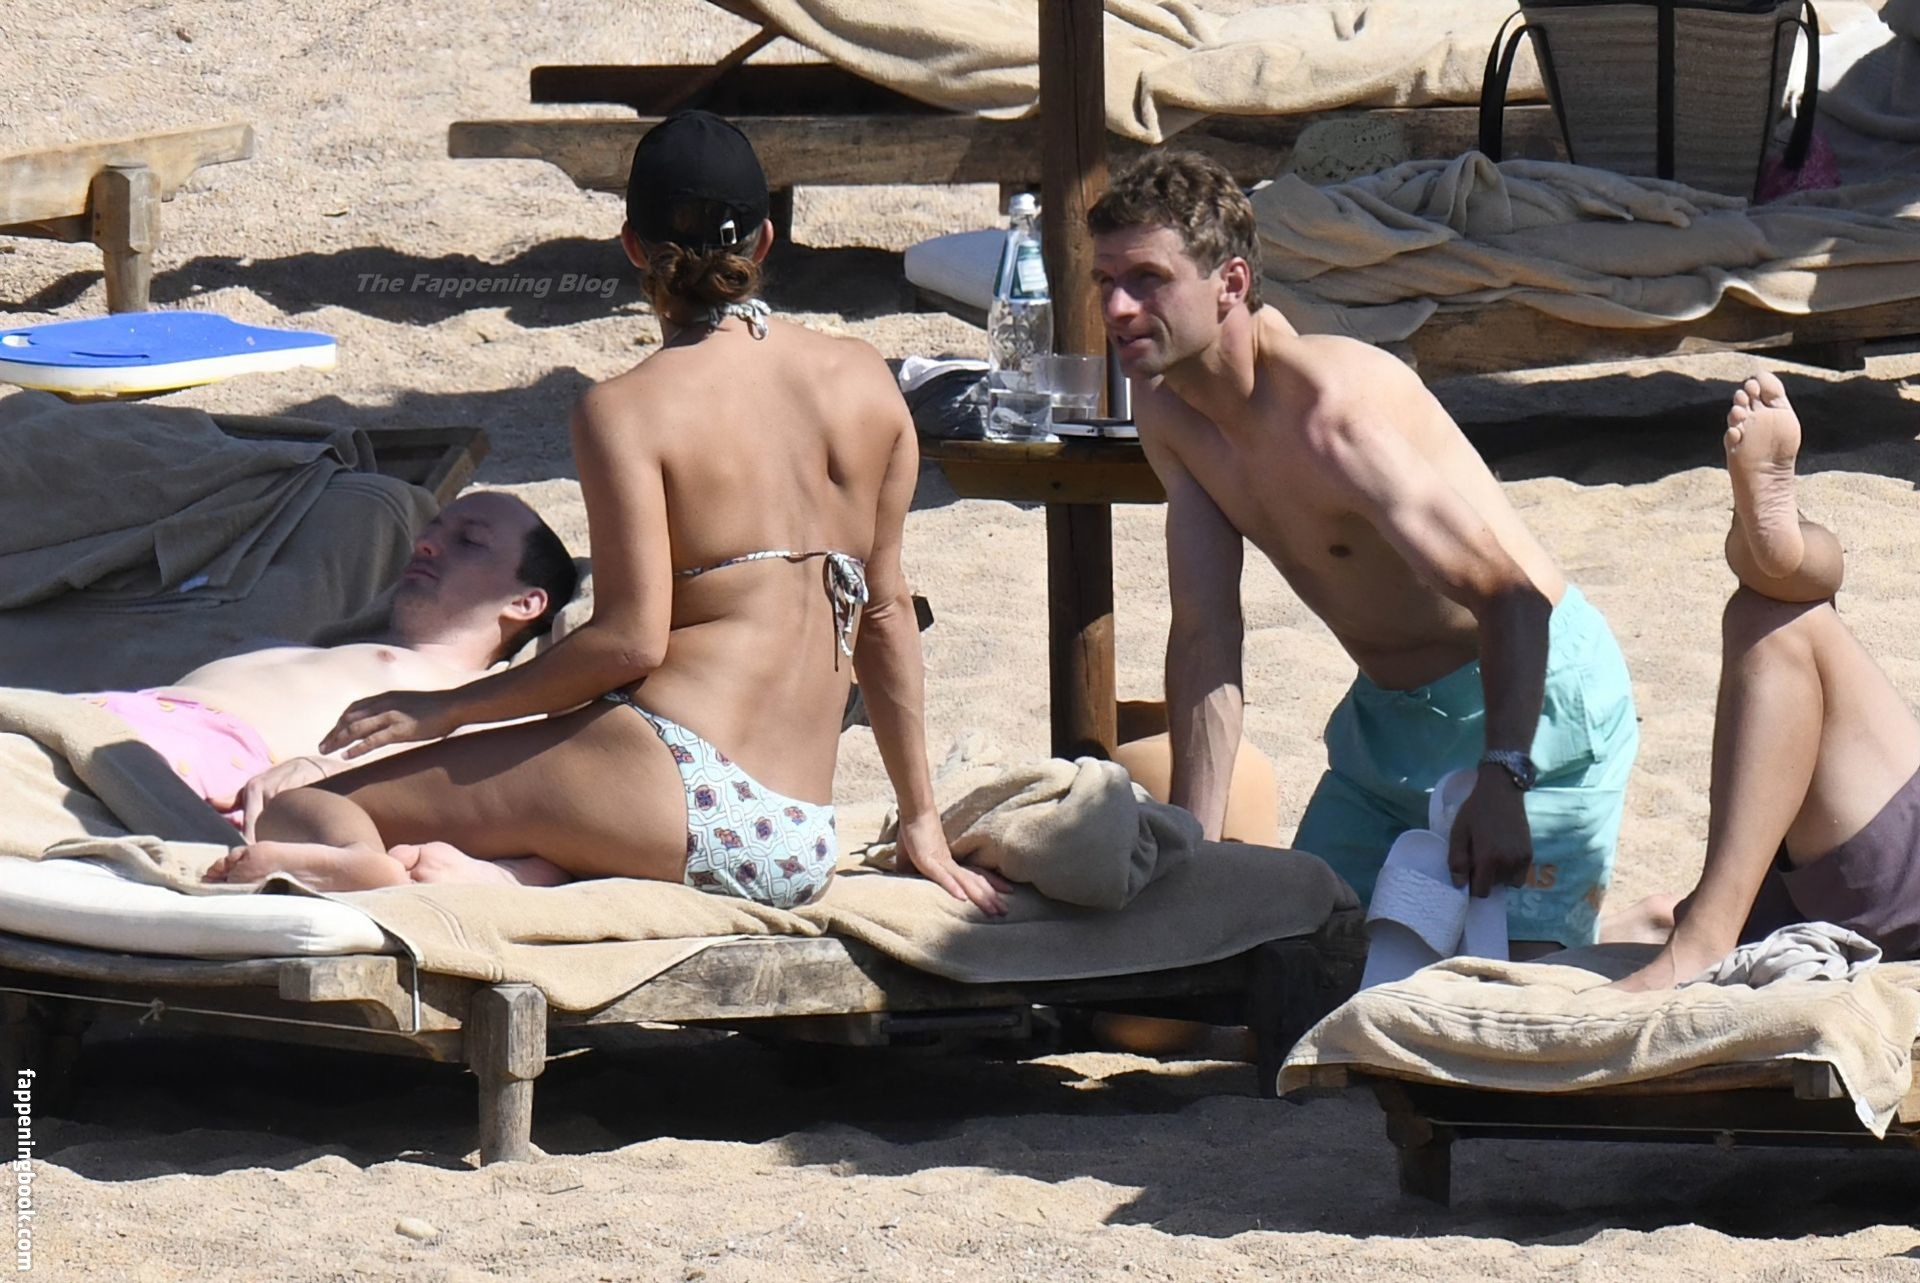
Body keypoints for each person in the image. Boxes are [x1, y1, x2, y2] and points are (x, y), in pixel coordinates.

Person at [218, 110, 1003, 912]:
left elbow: (629, 641)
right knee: (534, 792)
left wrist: (445, 710)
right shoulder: (865, 377)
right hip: (800, 834)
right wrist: (921, 818)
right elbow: (884, 611)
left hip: (673, 782)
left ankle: (373, 873)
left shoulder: (627, 411)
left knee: (307, 806)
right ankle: (497, 877)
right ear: (766, 240)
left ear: (632, 247)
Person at [1086, 151, 1639, 954]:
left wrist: (1504, 775)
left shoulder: (1331, 413)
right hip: (1388, 726)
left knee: (1499, 995)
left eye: (1147, 280)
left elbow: (1513, 597)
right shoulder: (1167, 407)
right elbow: (1206, 631)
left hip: (1530, 704)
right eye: (1105, 281)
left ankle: (1639, 936)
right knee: (1311, 966)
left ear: (1231, 283)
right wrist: (1193, 849)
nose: (1118, 307)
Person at [1609, 372, 1920, 988]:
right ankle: (1779, 546)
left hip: (1879, 891)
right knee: (1782, 608)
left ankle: (1703, 935)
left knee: (1782, 623)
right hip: (1853, 876)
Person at [88, 491, 576, 835]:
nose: (426, 545)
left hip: (205, 763)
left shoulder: (473, 700)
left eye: (470, 541)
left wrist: (329, 773)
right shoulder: (325, 646)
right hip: (119, 716)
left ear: (525, 603)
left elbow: (476, 790)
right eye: (431, 532)